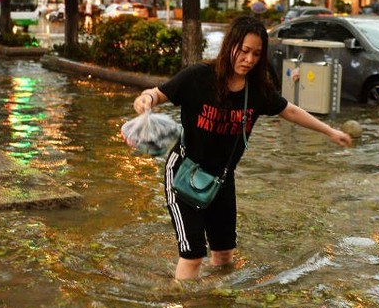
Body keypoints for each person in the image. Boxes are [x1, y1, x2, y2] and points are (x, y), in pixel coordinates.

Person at [132, 15, 352, 280]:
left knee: (224, 256)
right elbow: (157, 93)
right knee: (193, 256)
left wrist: (329, 131)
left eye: (256, 54)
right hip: (183, 172)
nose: (249, 59)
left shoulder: (257, 91)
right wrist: (146, 99)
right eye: (244, 51)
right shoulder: (199, 77)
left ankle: (219, 305)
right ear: (230, 46)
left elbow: (290, 111)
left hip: (221, 180)